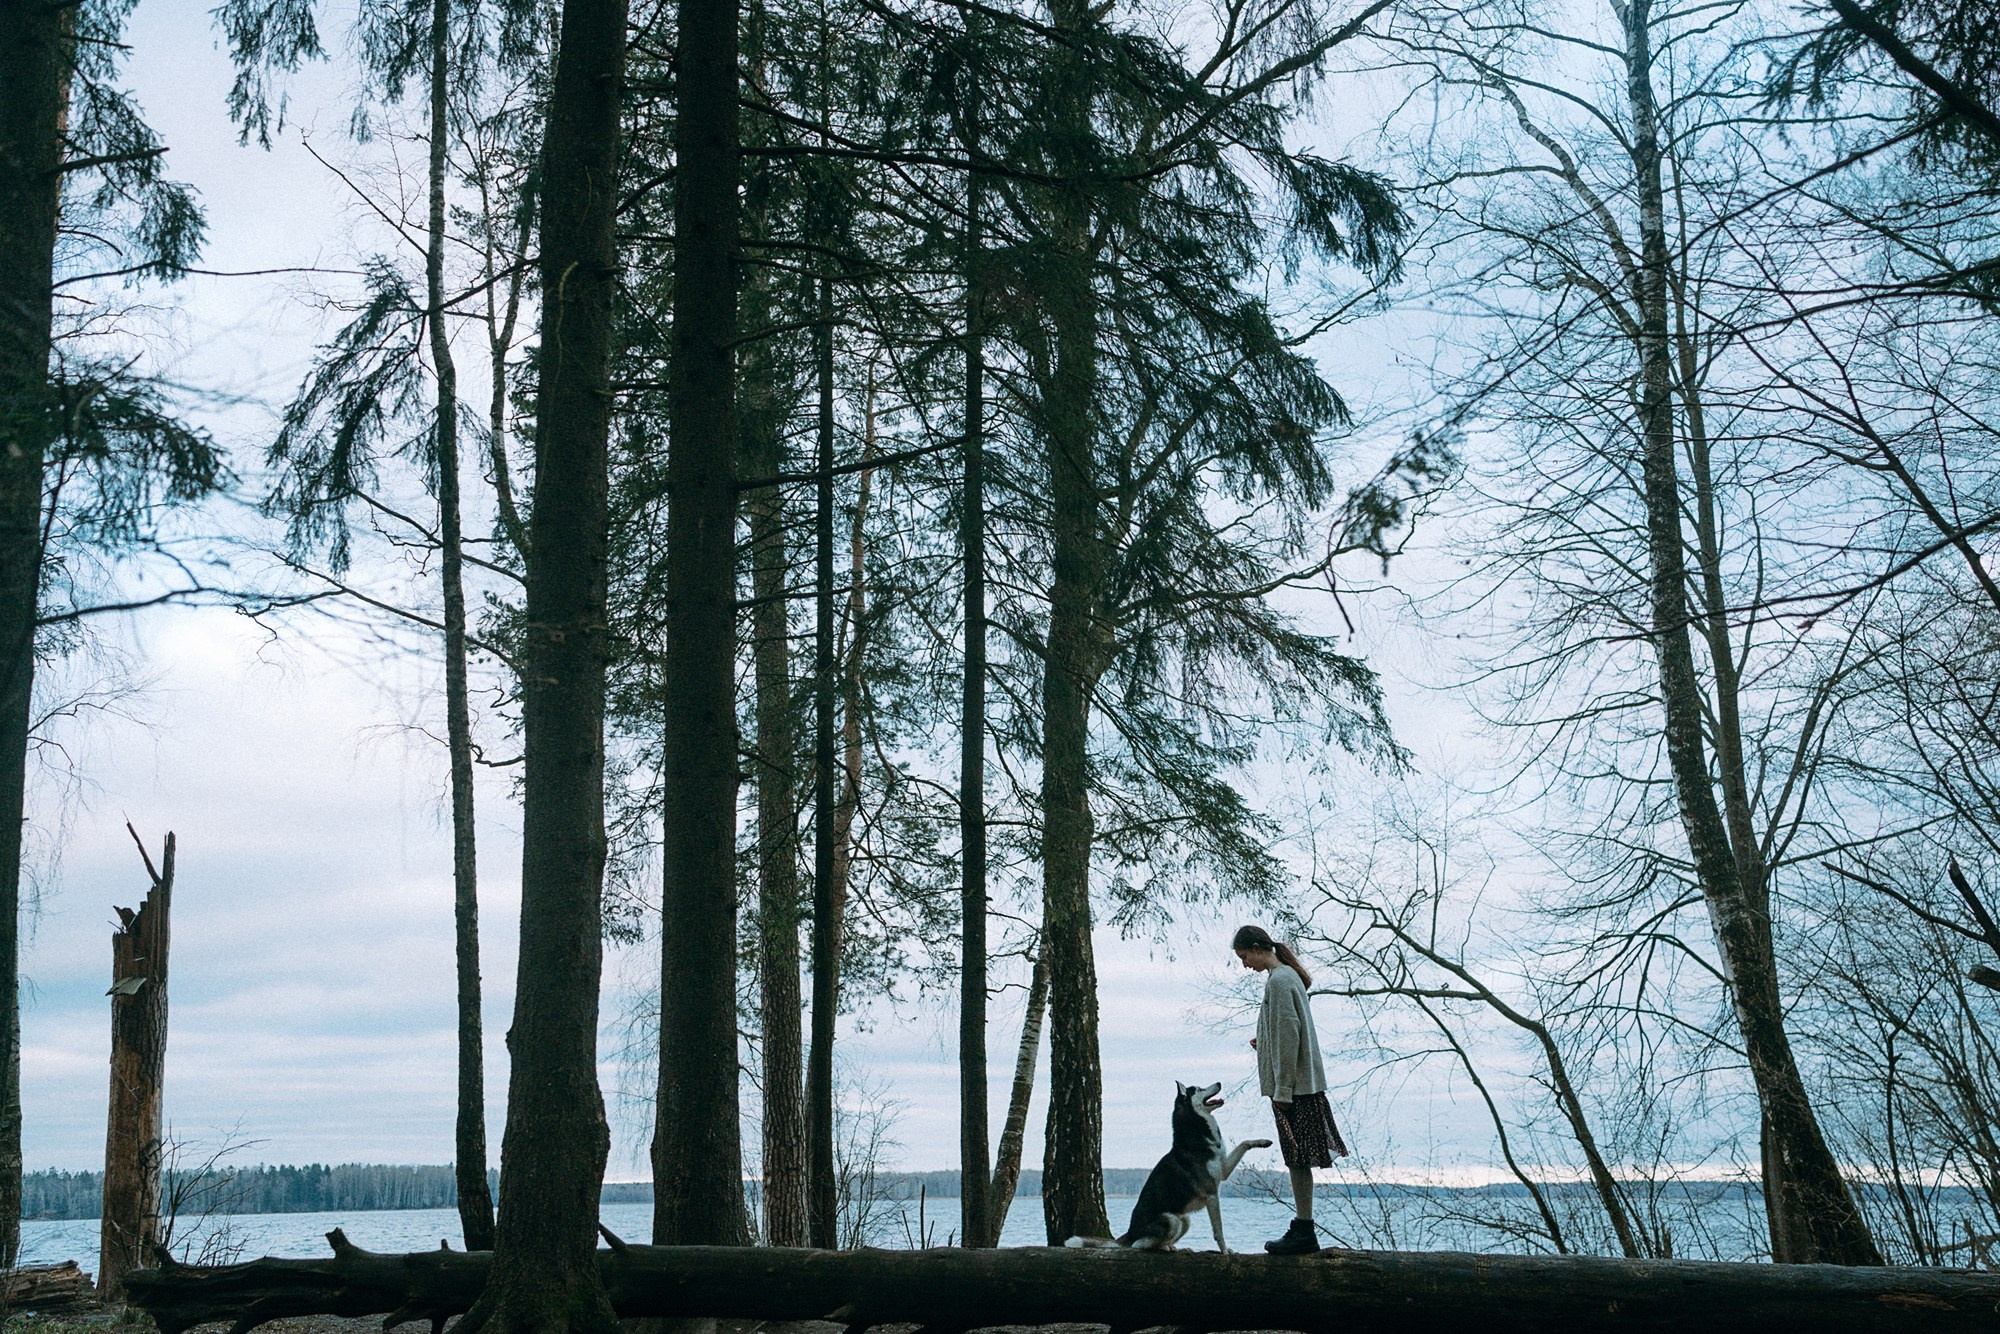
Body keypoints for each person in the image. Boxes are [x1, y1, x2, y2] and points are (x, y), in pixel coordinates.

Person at [1234, 923, 1347, 1255]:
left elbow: (1289, 1035)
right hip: (1300, 1084)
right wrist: (1265, 1041)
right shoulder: (1285, 976)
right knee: (1298, 1159)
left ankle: (1304, 1230)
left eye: (1244, 957)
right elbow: (1284, 1031)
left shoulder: (1281, 980)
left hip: (1295, 1088)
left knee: (1298, 1159)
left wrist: (1282, 1089)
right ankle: (1303, 1228)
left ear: (1257, 948)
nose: (1245, 965)